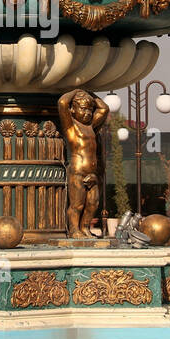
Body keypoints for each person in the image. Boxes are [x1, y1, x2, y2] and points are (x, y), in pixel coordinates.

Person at [57, 89, 109, 237]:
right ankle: (74, 230)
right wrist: (76, 91)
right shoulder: (71, 127)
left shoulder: (91, 127)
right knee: (77, 204)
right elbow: (62, 102)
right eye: (83, 108)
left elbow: (104, 108)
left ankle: (85, 228)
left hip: (93, 173)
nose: (87, 113)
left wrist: (90, 94)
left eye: (90, 110)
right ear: (73, 109)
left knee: (93, 204)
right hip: (78, 170)